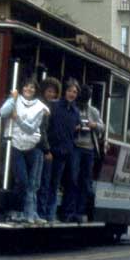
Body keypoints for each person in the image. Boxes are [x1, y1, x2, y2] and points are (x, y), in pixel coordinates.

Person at [0, 78, 49, 224]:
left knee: (30, 183)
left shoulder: (40, 106)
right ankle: (15, 211)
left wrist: (18, 119)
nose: (29, 89)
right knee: (22, 180)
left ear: (36, 90)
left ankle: (23, 213)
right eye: (26, 86)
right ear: (22, 88)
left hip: (31, 148)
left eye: (32, 87)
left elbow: (31, 128)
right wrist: (12, 99)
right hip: (14, 145)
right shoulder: (15, 99)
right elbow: (3, 113)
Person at [46, 78, 82, 222]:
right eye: (69, 91)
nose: (72, 94)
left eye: (74, 92)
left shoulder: (75, 111)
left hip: (64, 153)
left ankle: (51, 214)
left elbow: (75, 130)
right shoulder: (54, 106)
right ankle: (44, 213)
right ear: (64, 92)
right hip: (51, 151)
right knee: (46, 183)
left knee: (55, 184)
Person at [72, 84, 105, 223]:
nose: (85, 99)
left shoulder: (93, 111)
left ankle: (80, 211)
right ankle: (70, 210)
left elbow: (102, 127)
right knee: (73, 178)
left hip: (89, 149)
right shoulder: (74, 109)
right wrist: (76, 127)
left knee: (85, 181)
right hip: (75, 147)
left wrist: (94, 125)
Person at [36, 77, 62, 221]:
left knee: (49, 182)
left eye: (54, 92)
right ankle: (41, 212)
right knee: (43, 181)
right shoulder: (42, 106)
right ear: (44, 91)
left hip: (53, 149)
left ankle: (46, 212)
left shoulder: (55, 107)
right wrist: (46, 149)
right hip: (43, 149)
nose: (51, 95)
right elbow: (42, 130)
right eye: (49, 91)